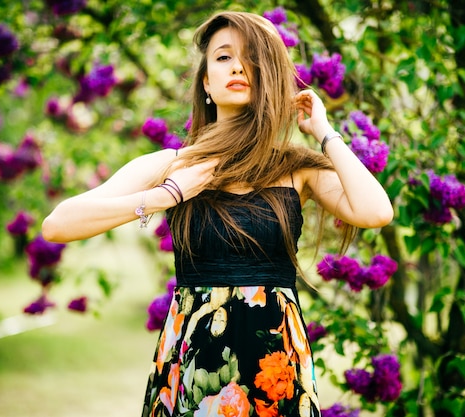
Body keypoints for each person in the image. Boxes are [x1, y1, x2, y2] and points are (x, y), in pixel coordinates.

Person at [42, 10, 393, 417]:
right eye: (224, 57)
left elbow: (375, 211)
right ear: (207, 82)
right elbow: (58, 224)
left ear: (270, 77)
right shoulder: (173, 165)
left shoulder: (297, 169)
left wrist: (324, 131)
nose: (239, 67)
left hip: (275, 369)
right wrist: (165, 196)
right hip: (193, 365)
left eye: (253, 59)